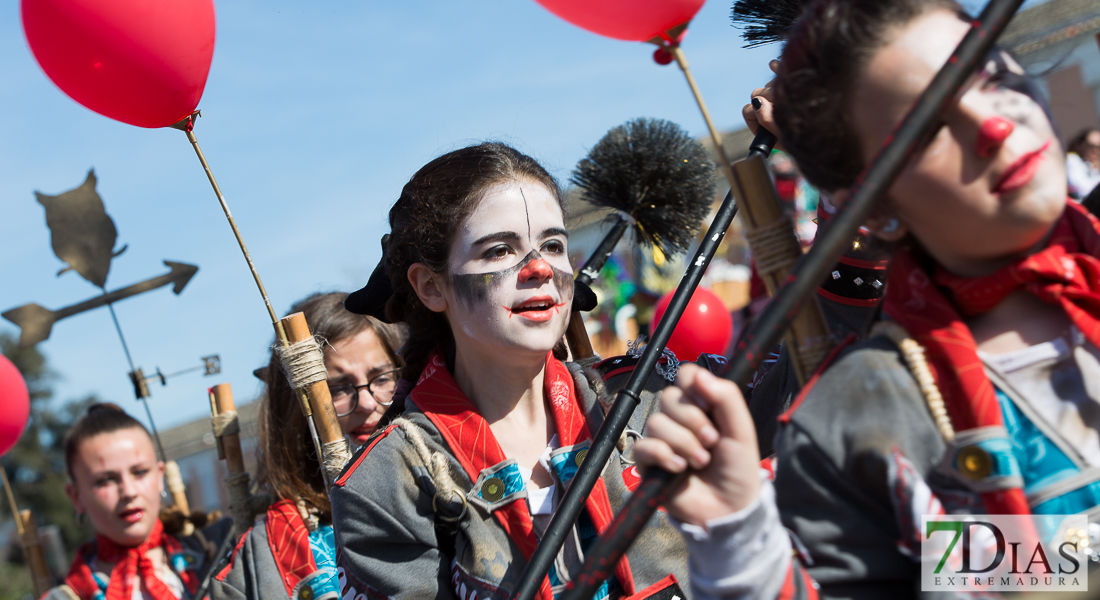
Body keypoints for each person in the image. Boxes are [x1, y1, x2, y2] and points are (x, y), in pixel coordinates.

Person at [634, 0, 1100, 597]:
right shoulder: (862, 413)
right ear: (869, 204)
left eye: (990, 74)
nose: (994, 125)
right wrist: (740, 541)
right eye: (927, 127)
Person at [330, 142, 693, 599]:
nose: (540, 268)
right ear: (430, 286)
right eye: (500, 251)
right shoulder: (388, 481)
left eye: (553, 245)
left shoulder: (648, 401)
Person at [209, 292, 404, 600]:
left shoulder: (447, 488)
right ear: (294, 409)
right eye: (338, 388)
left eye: (381, 378)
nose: (367, 404)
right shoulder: (265, 556)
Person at [42, 403, 228, 600]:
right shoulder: (67, 596)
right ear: (76, 496)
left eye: (140, 472)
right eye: (105, 480)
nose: (129, 492)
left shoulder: (223, 550)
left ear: (159, 476)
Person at [1066, 128, 1100, 201]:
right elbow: (1082, 190)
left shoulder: (1093, 165)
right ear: (1081, 145)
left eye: (1099, 147)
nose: (1096, 151)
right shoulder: (1072, 159)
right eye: (1092, 146)